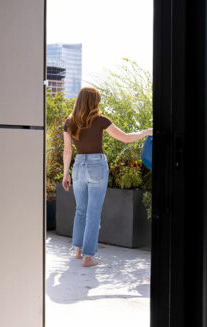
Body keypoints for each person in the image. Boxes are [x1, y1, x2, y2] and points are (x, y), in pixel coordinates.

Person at [62, 87, 152, 267]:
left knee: (81, 210)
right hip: (97, 165)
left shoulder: (69, 122)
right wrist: (145, 132)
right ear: (94, 102)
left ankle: (79, 251)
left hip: (78, 166)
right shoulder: (101, 120)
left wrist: (66, 173)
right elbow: (125, 138)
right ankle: (88, 257)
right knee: (93, 213)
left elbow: (67, 150)